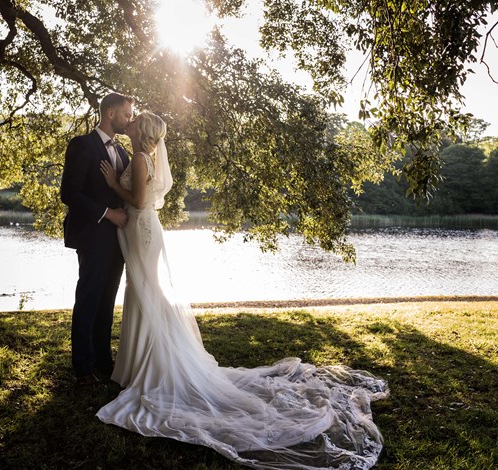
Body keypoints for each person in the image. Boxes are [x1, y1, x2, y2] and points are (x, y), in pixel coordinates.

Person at [96, 111, 389, 469]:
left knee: (145, 294)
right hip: (143, 231)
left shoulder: (140, 159)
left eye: (135, 120)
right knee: (145, 293)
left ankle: (150, 367)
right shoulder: (143, 156)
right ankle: (139, 364)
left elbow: (139, 201)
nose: (130, 122)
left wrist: (113, 185)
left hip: (142, 229)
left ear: (141, 131)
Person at [60, 92, 134, 386]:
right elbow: (70, 193)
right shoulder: (82, 145)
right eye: (127, 114)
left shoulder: (125, 152)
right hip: (92, 236)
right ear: (111, 113)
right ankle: (83, 368)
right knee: (89, 299)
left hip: (118, 240)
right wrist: (107, 213)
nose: (129, 120)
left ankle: (104, 361)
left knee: (107, 302)